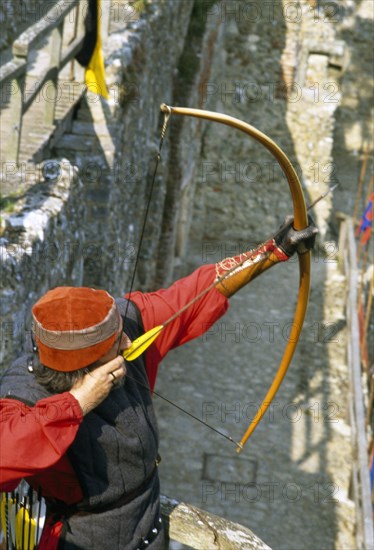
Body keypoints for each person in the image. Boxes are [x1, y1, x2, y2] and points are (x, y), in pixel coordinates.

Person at [0, 218, 317, 549]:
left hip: (149, 527)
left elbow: (194, 295)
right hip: (83, 539)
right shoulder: (24, 391)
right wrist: (77, 403)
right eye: (114, 345)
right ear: (85, 365)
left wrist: (271, 252)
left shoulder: (126, 325)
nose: (126, 344)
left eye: (120, 332)